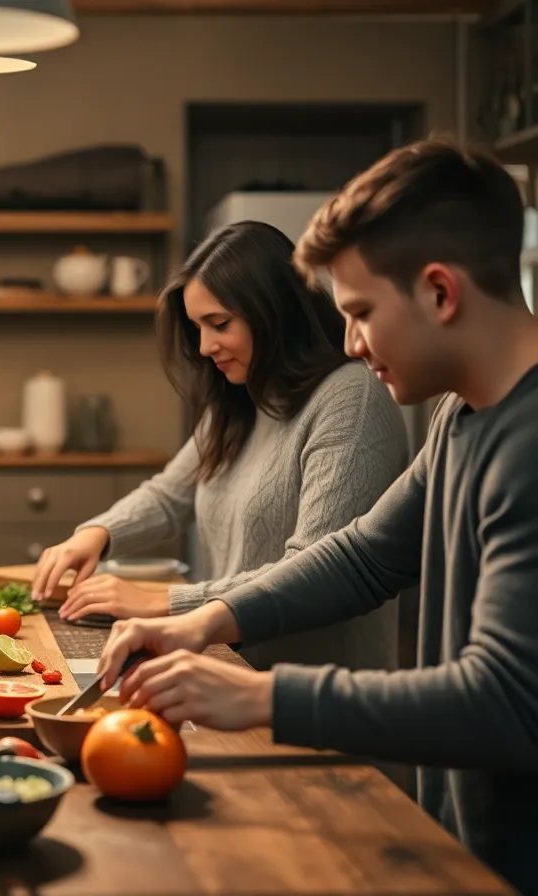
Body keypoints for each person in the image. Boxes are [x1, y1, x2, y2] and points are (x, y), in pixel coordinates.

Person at [95, 139, 538, 894]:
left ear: (439, 292)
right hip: (465, 847)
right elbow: (364, 556)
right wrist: (202, 621)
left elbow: (503, 701)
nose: (349, 344)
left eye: (361, 313)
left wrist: (260, 697)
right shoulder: (463, 418)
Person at [33, 221, 409, 671]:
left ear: (274, 311)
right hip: (232, 669)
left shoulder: (352, 399)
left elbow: (317, 570)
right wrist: (97, 534)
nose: (206, 346)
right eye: (197, 328)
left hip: (315, 699)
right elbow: (171, 494)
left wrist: (165, 601)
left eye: (219, 324)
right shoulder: (244, 396)